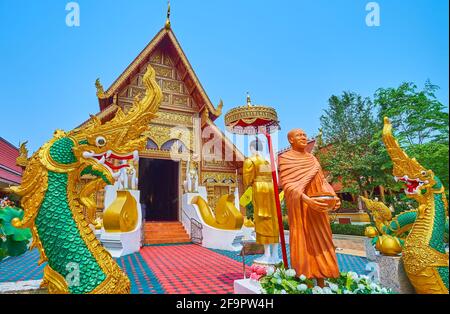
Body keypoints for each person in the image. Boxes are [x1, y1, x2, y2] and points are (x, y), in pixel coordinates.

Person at [278, 129, 340, 286]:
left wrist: (334, 196)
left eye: (304, 135)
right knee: (304, 242)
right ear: (291, 140)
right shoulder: (286, 159)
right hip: (302, 209)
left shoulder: (313, 159)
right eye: (299, 135)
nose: (303, 137)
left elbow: (323, 181)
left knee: (323, 243)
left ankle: (322, 279)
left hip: (318, 208)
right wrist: (306, 200)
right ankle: (305, 278)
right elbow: (288, 186)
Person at [243, 139, 280, 264]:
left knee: (262, 219)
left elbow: (247, 180)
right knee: (273, 219)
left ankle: (267, 253)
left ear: (252, 148)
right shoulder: (269, 160)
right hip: (271, 190)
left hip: (259, 189)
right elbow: (276, 178)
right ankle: (275, 254)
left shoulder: (250, 160)